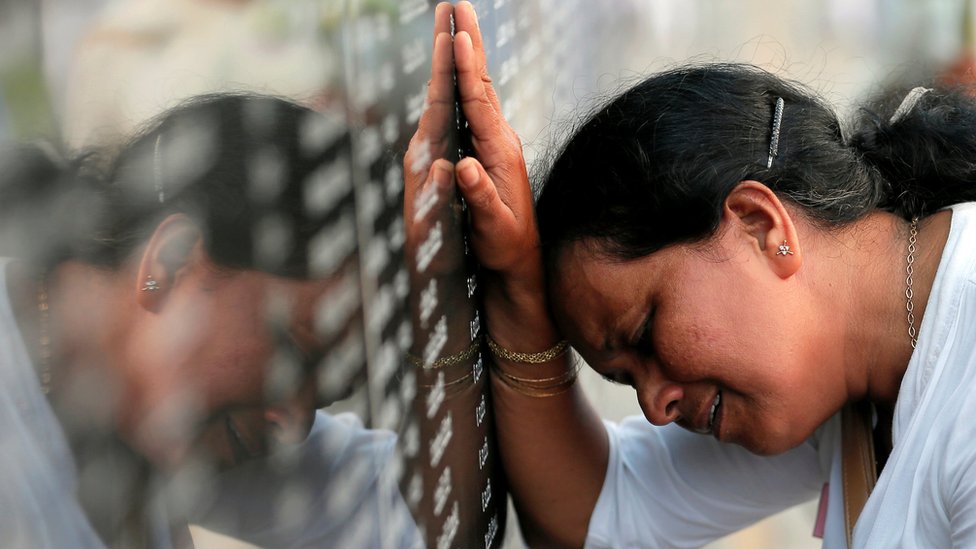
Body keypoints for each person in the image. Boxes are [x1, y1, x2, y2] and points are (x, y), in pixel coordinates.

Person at [412, 2, 976, 547]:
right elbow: (596, 513)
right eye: (628, 380)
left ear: (760, 226)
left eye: (645, 336)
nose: (656, 408)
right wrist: (515, 284)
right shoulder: (855, 368)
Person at [0, 93, 420, 548]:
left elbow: (411, 509)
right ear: (171, 264)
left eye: (327, 393)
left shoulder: (161, 414)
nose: (296, 424)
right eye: (294, 356)